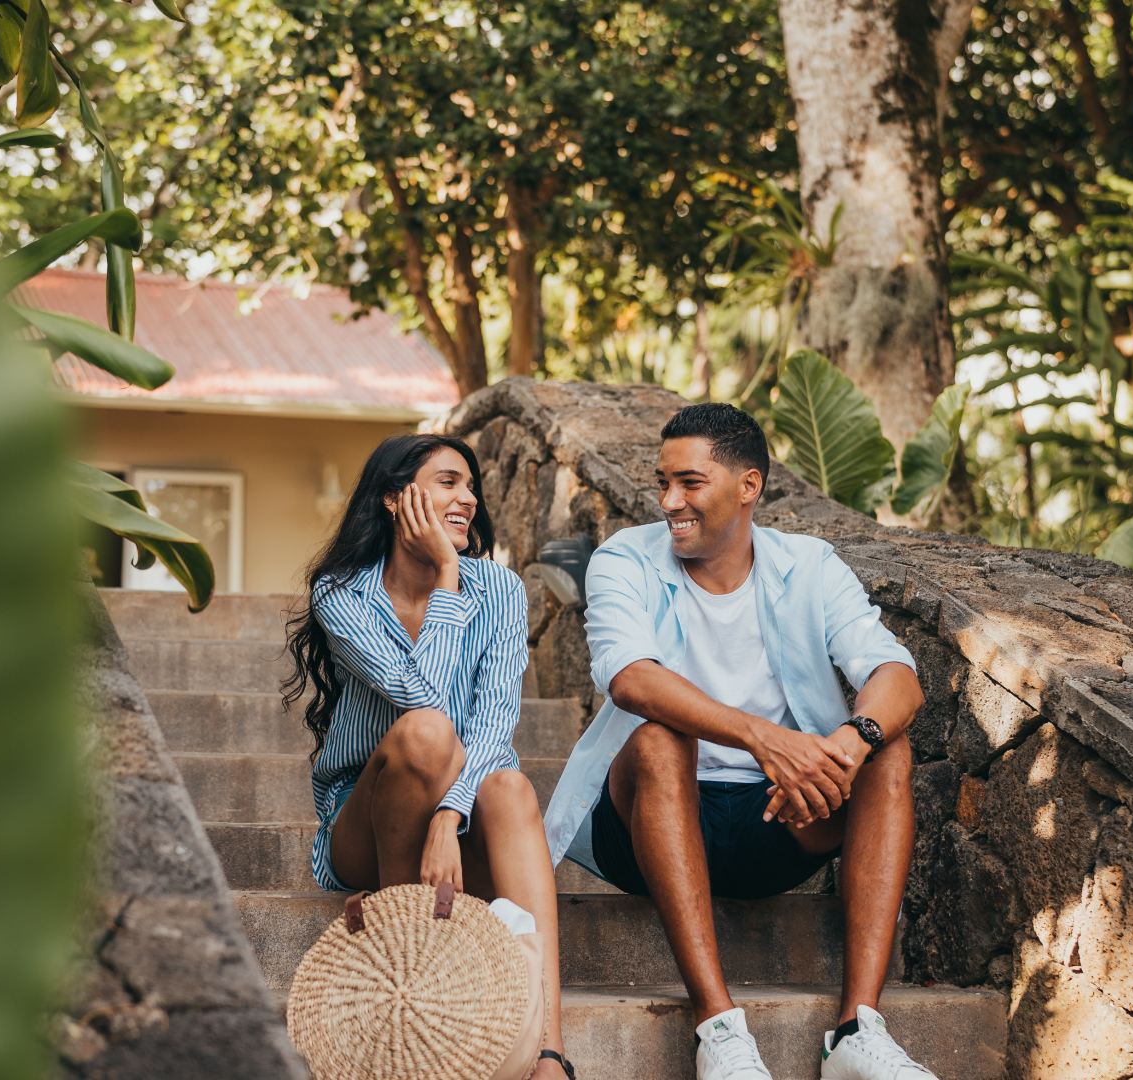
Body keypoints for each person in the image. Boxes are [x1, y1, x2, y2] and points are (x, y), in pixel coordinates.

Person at [541, 404, 932, 1080]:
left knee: (887, 749)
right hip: (643, 823)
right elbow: (631, 679)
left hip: (777, 817)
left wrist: (848, 742)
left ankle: (856, 1031)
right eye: (663, 483)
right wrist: (764, 738)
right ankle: (718, 1030)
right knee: (663, 738)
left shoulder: (809, 565)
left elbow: (895, 673)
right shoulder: (624, 559)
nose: (669, 501)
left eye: (689, 483)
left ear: (747, 486)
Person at [284, 433, 576, 1080]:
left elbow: (495, 723)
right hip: (367, 822)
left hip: (460, 814)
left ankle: (550, 1052)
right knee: (424, 735)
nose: (468, 498)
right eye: (448, 482)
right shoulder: (344, 595)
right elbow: (427, 702)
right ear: (394, 499)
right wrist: (445, 575)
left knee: (512, 788)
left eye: (471, 486)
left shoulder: (499, 590)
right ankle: (415, 998)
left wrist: (449, 814)